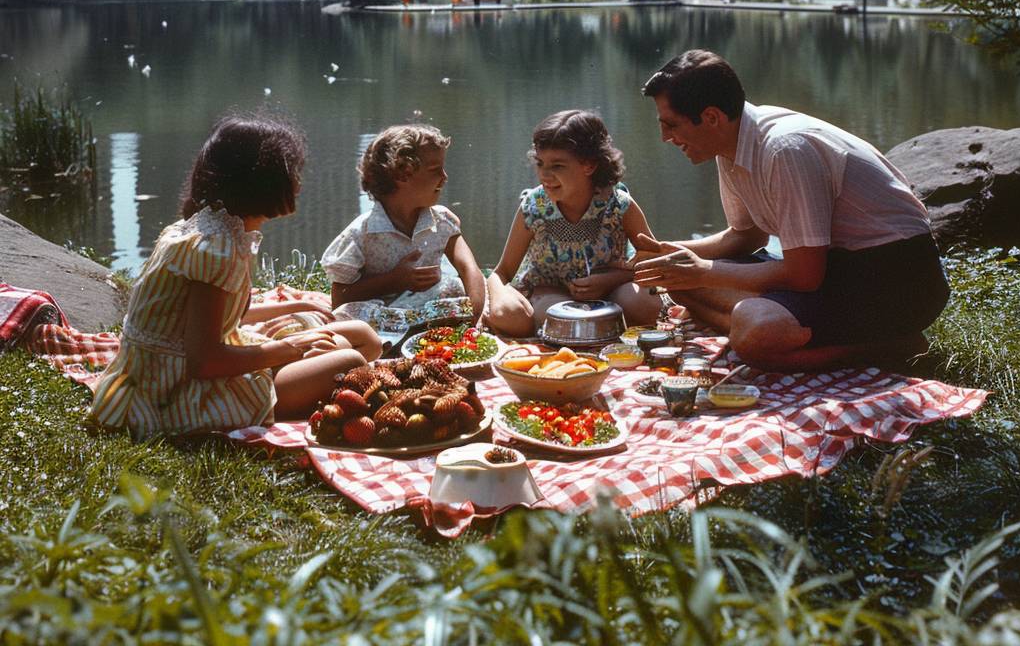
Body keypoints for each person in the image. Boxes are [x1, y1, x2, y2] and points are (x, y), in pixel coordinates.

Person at [634, 50, 950, 371]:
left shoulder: (785, 149)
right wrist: (670, 254)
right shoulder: (729, 145)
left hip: (897, 281)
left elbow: (804, 276)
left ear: (712, 117)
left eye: (671, 125)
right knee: (678, 283)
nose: (664, 137)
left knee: (753, 331)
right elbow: (744, 236)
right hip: (836, 269)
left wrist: (702, 270)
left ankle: (887, 347)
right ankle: (778, 328)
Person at [89, 115, 381, 438]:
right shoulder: (216, 248)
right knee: (350, 360)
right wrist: (290, 348)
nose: (299, 180)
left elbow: (220, 318)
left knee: (362, 335)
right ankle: (288, 393)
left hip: (195, 364)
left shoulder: (219, 228)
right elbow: (205, 361)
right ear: (262, 180)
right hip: (177, 391)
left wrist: (292, 307)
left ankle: (310, 376)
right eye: (292, 170)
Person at [487, 109, 660, 337]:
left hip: (611, 294)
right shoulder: (534, 206)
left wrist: (611, 280)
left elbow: (656, 263)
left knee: (644, 304)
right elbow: (502, 272)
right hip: (549, 294)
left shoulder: (618, 204)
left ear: (589, 165)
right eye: (540, 164)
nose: (544, 176)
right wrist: (498, 301)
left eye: (557, 166)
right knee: (541, 319)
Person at [321, 124, 487, 333]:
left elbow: (469, 269)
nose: (444, 177)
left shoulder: (442, 220)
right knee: (346, 314)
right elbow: (340, 298)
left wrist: (476, 318)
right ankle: (394, 340)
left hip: (427, 313)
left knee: (453, 287)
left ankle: (428, 334)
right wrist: (395, 281)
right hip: (380, 321)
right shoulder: (361, 234)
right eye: (436, 170)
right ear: (402, 175)